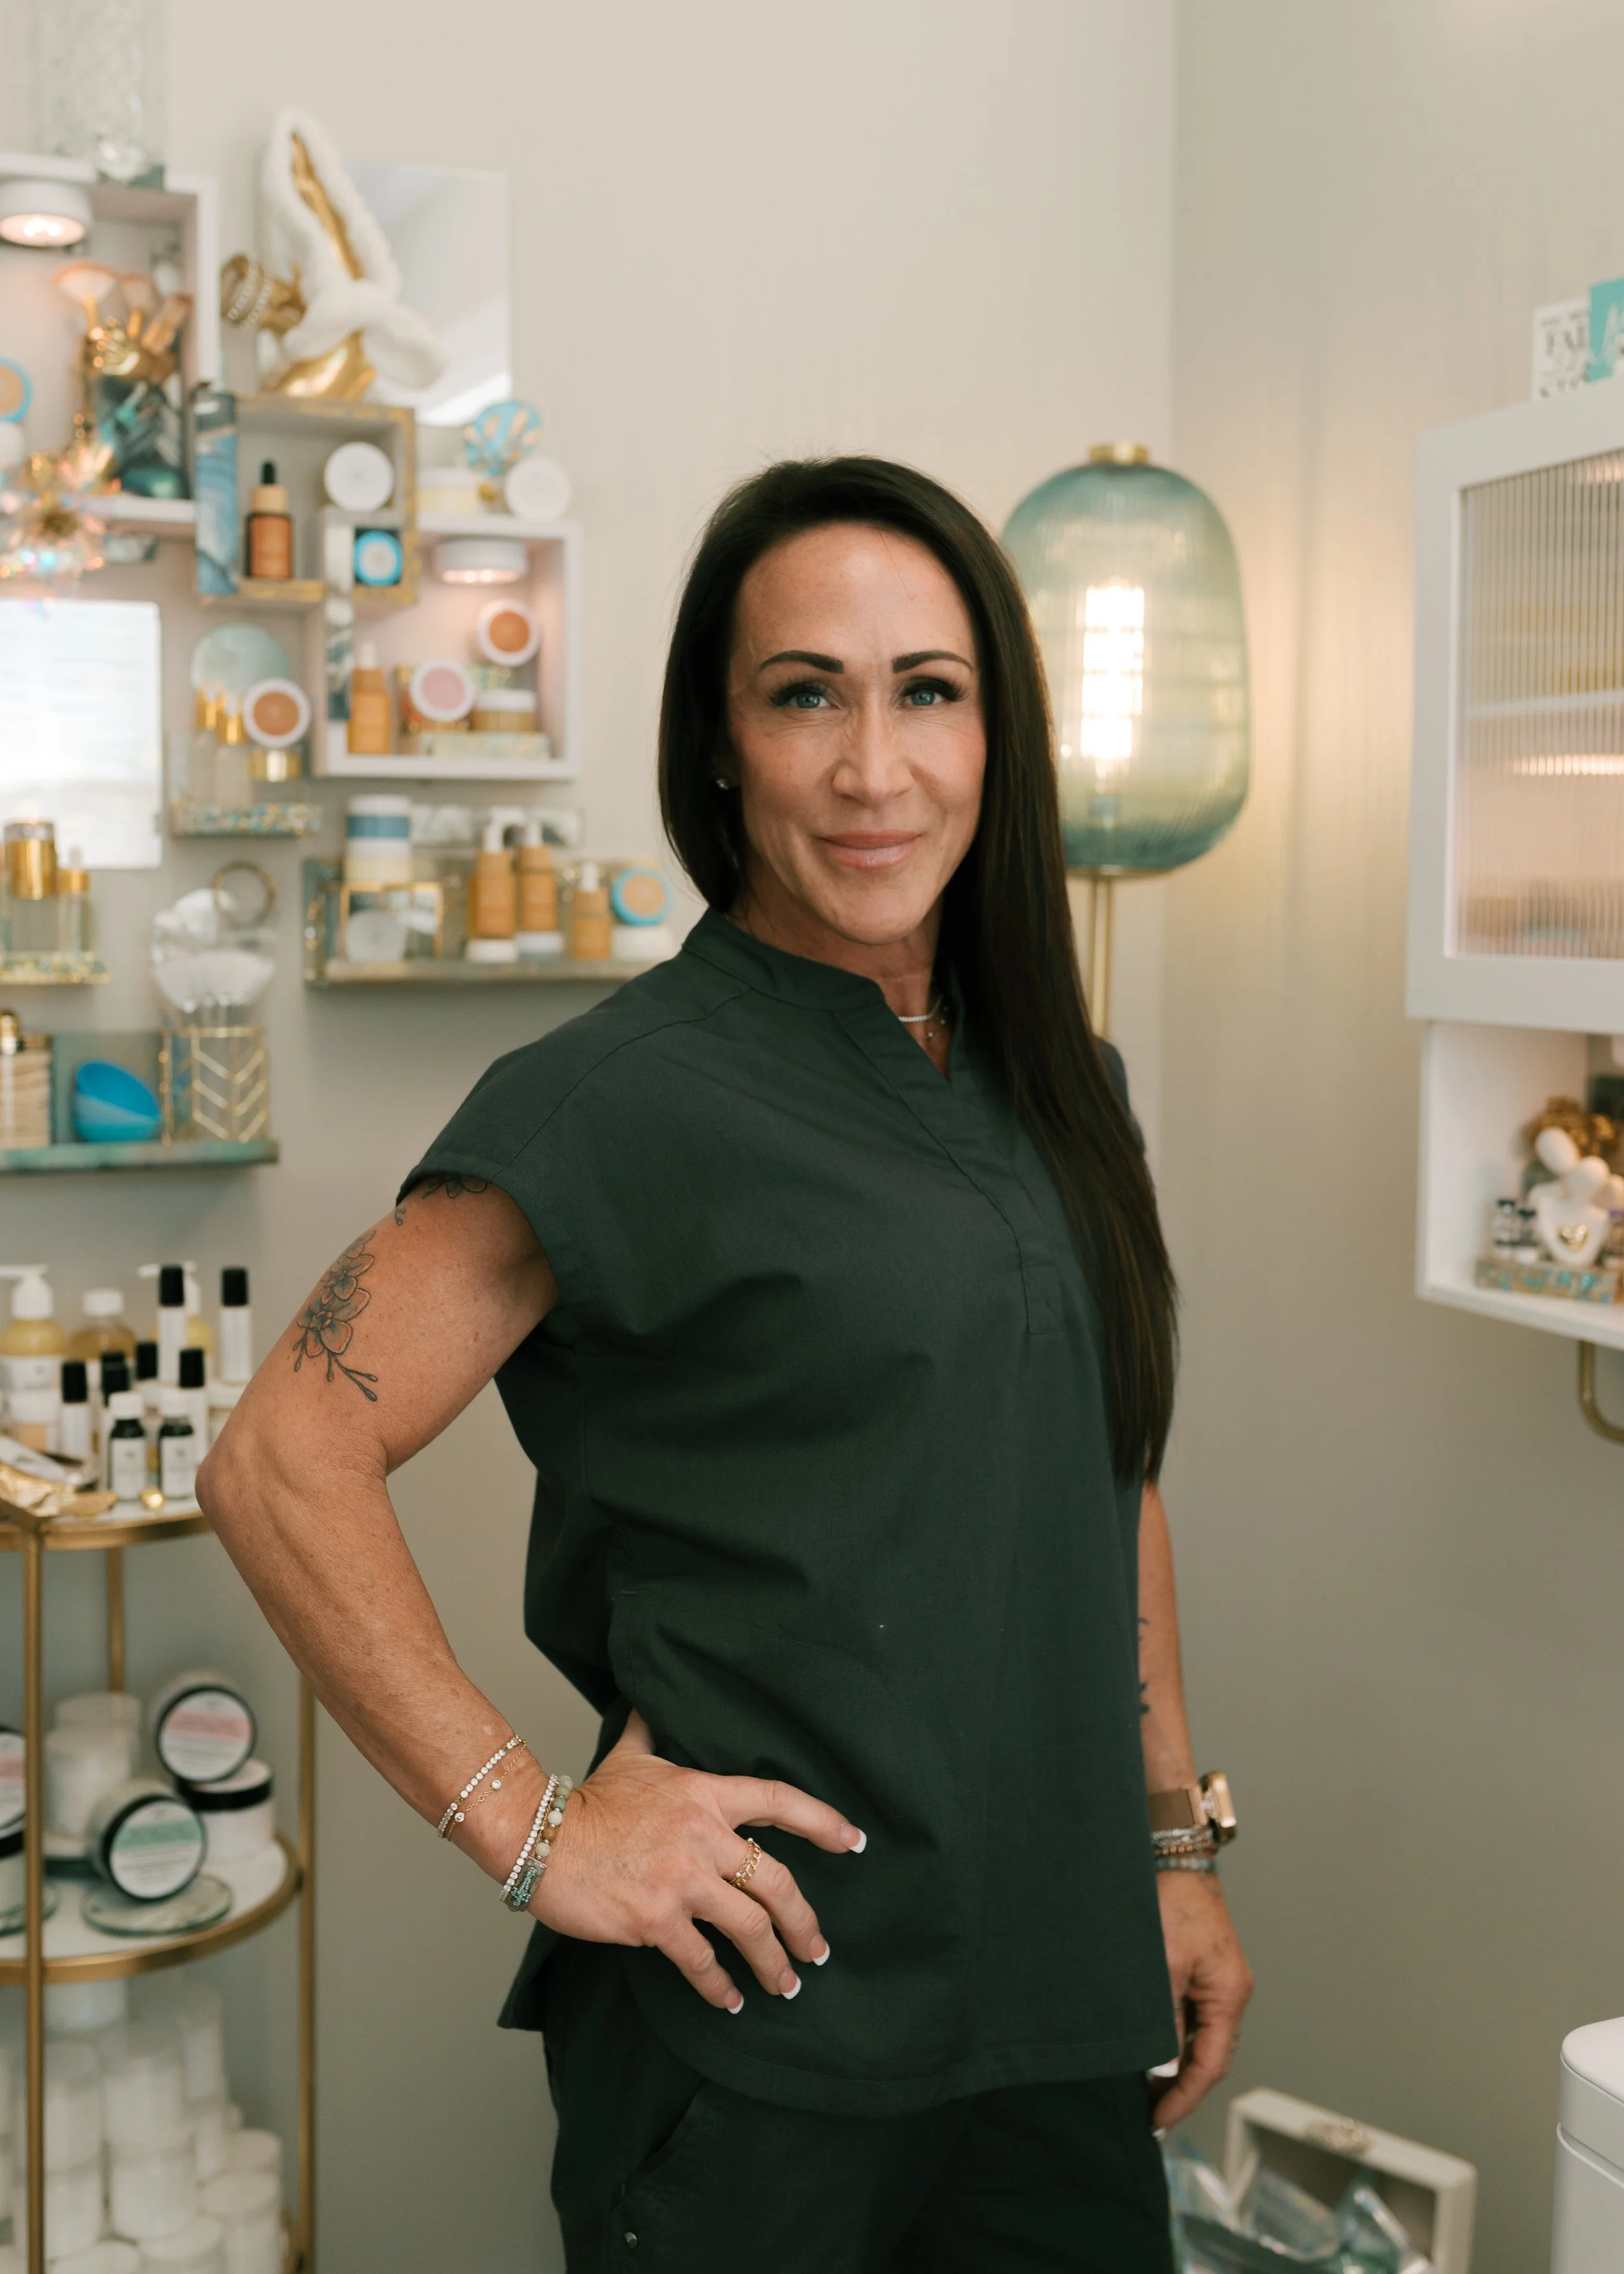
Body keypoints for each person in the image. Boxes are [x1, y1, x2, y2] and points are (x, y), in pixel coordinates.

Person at [199, 455, 1252, 2271]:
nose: (873, 769)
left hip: (1054, 2004)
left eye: (929, 692)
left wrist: (1173, 1845)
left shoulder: (1061, 1084)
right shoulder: (619, 1097)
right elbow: (279, 1456)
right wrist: (538, 1830)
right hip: (768, 2025)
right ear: (719, 744)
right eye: (805, 697)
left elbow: (1105, 1470)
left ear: (998, 734)